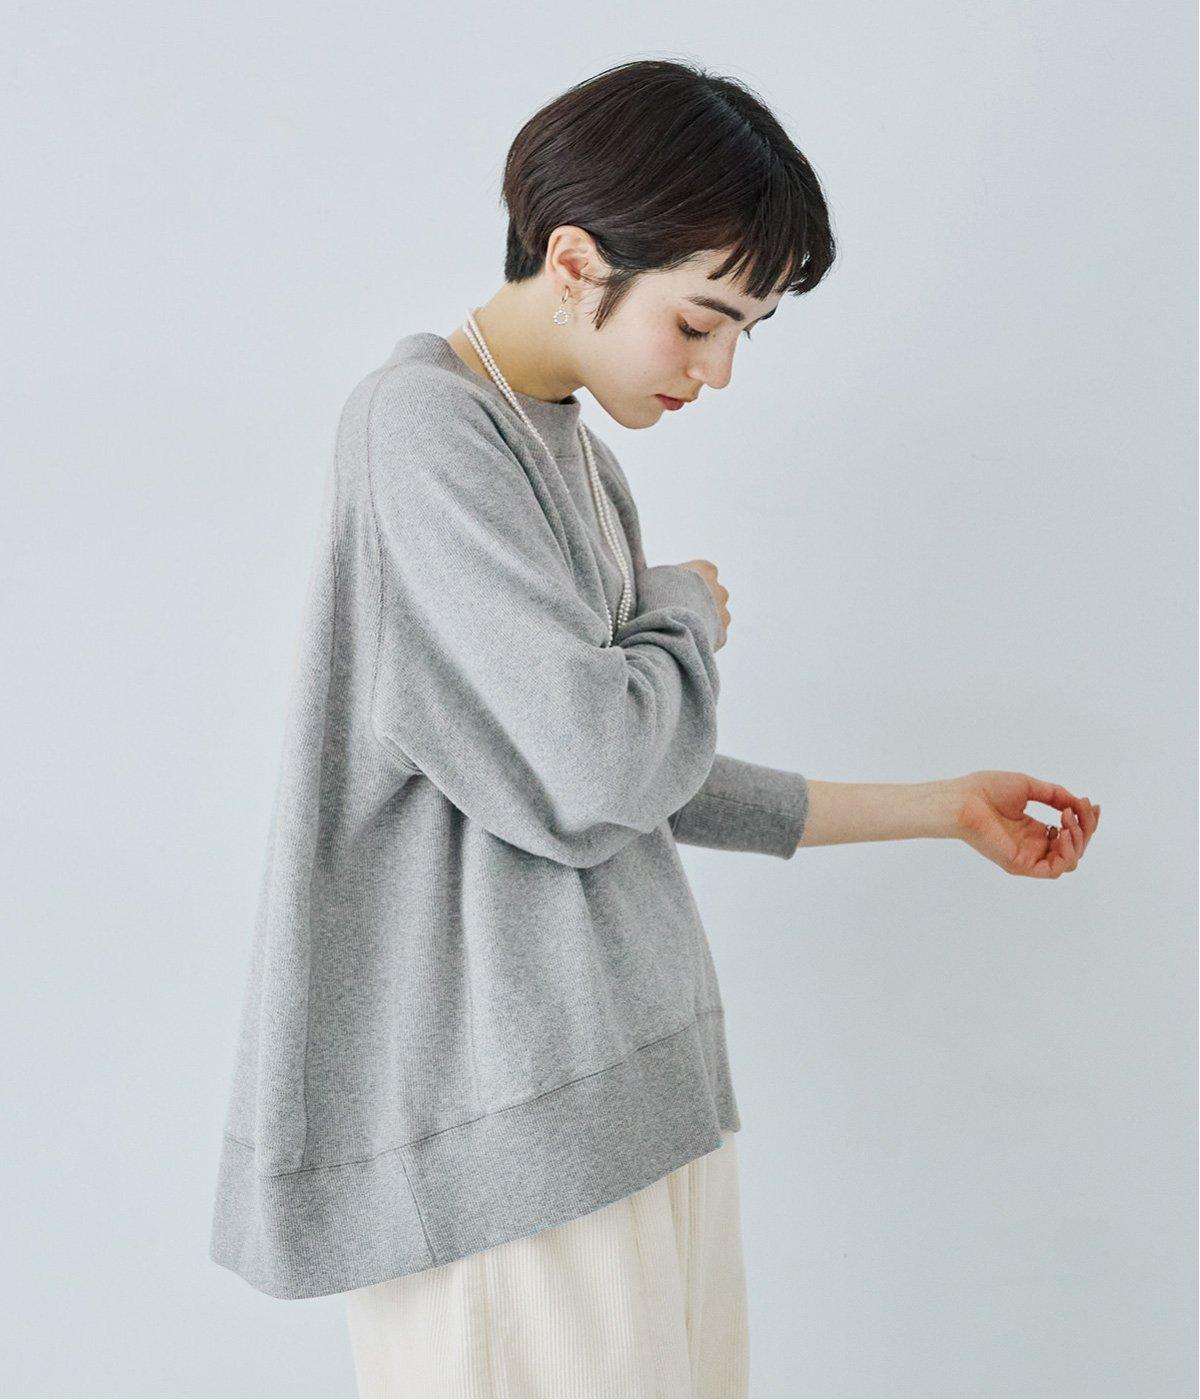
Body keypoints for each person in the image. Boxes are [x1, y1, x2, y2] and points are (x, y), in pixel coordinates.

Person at [209, 58, 1101, 1399]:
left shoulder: (574, 454)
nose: (721, 370)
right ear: (576, 264)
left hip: (627, 1100)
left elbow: (641, 776)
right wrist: (679, 611)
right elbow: (597, 759)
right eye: (700, 323)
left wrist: (939, 807)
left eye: (748, 332)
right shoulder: (423, 428)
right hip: (512, 1138)